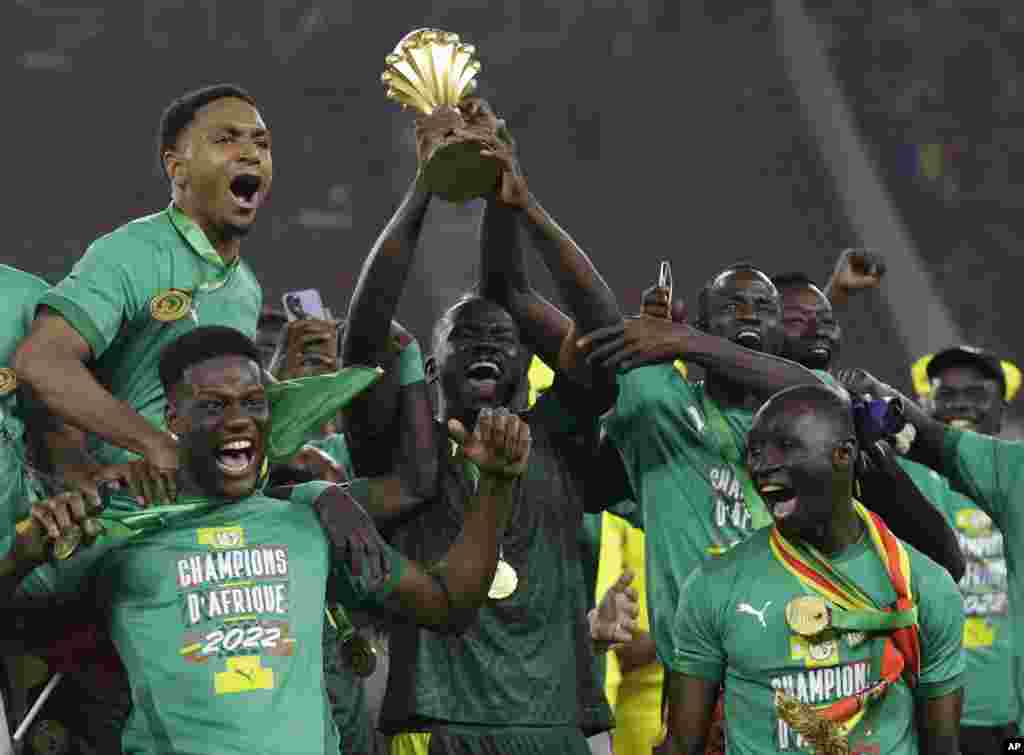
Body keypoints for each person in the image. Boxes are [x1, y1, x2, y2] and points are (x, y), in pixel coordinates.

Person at [1, 326, 530, 754]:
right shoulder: (115, 530)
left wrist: (498, 486)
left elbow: (448, 605)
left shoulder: (309, 521)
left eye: (252, 402)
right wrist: (23, 554)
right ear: (172, 419)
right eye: (212, 406)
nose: (237, 421)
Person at [343, 101, 636, 754]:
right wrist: (424, 189)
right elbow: (364, 332)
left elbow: (600, 334)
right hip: (436, 726)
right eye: (464, 334)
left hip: (552, 721)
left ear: (527, 360)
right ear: (430, 359)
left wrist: (520, 201)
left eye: (502, 337)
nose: (485, 343)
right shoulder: (400, 444)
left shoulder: (555, 434)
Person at [664, 384, 965, 755]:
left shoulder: (923, 584)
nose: (763, 465)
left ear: (844, 453)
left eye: (787, 446)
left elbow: (944, 748)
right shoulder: (713, 585)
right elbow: (680, 746)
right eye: (755, 451)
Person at [13, 84, 268, 508]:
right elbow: (40, 361)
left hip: (206, 511)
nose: (250, 153)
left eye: (261, 142)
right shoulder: (130, 253)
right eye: (225, 139)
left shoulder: (246, 285)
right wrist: (156, 445)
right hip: (128, 515)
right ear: (177, 167)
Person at [902, 346, 1019, 752]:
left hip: (1009, 712)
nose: (960, 404)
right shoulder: (896, 476)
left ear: (1002, 409)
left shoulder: (1017, 481)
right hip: (924, 709)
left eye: (976, 393)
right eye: (946, 394)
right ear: (924, 405)